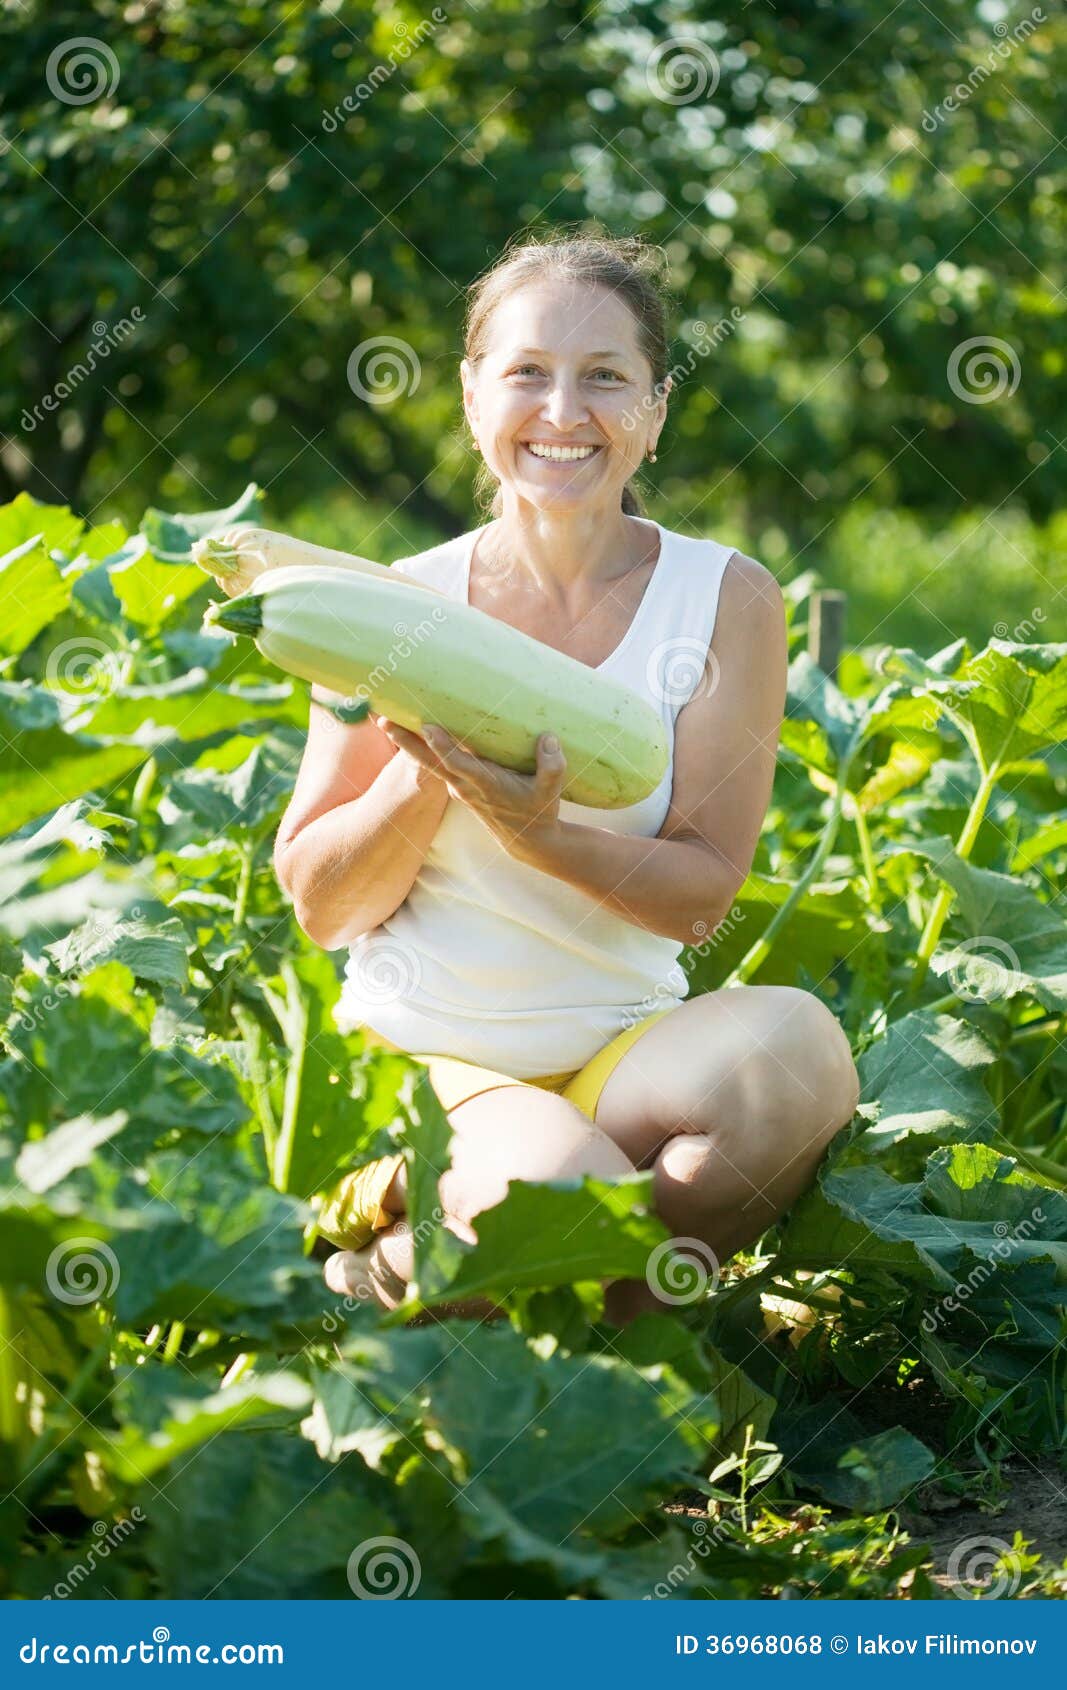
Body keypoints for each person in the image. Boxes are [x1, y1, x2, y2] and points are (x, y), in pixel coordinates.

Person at [272, 231, 860, 1317]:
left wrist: (541, 835)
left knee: (800, 1061)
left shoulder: (727, 598)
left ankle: (456, 1291)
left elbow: (699, 894)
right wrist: (432, 771)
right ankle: (443, 1275)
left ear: (655, 406)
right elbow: (320, 904)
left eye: (604, 378)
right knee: (562, 1196)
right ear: (469, 393)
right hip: (434, 1067)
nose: (561, 411)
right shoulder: (384, 605)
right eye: (526, 373)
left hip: (624, 1051)